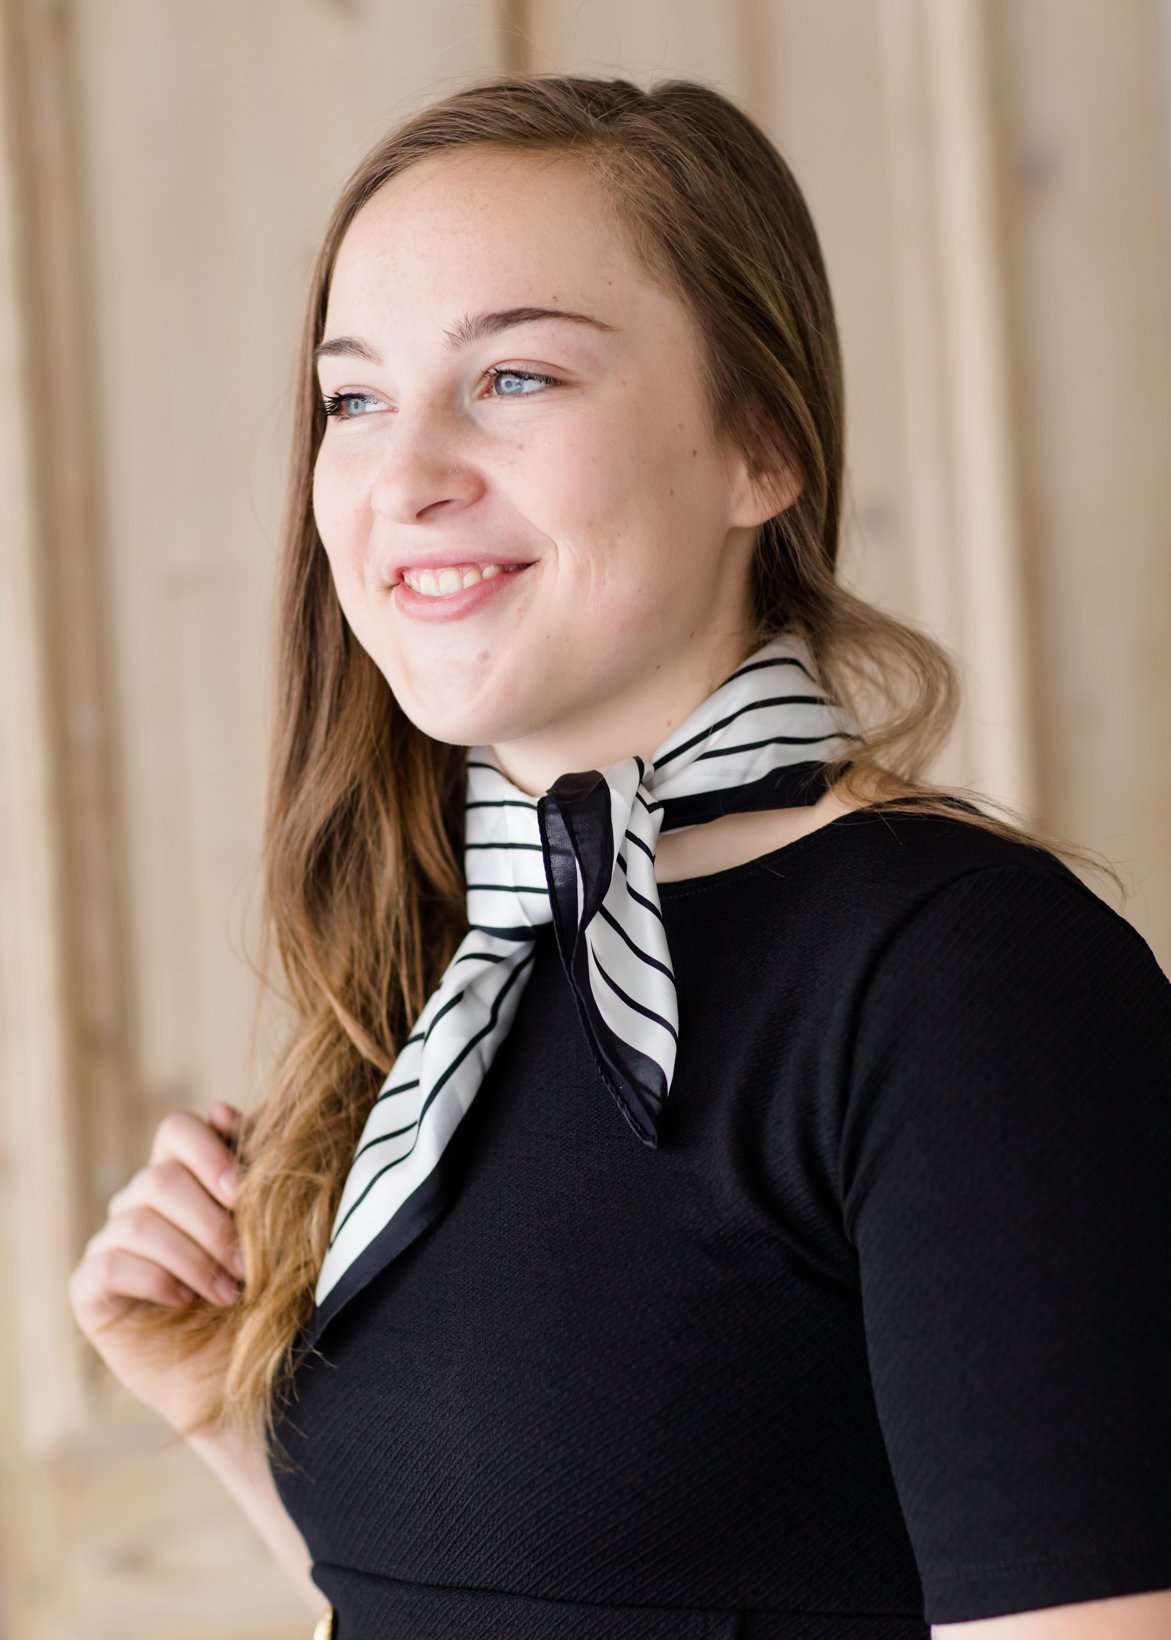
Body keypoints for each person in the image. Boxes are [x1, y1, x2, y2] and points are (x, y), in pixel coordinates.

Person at [68, 73, 1171, 1639]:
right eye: (354, 399)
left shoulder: (969, 981)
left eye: (515, 378)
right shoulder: (450, 972)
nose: (404, 475)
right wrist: (224, 1419)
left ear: (762, 448)